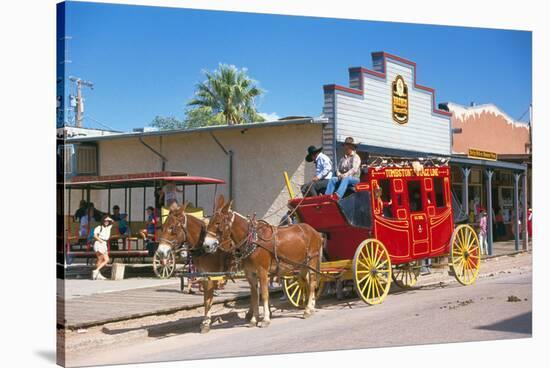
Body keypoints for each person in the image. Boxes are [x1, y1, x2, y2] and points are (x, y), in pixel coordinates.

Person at [92, 215, 114, 280]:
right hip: (99, 243)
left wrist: (109, 218)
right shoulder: (99, 227)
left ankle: (97, 273)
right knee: (103, 259)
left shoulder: (109, 227)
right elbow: (95, 236)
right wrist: (101, 241)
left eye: (107, 221)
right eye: (105, 220)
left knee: (102, 259)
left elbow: (113, 222)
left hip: (104, 243)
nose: (106, 222)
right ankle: (96, 271)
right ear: (102, 221)